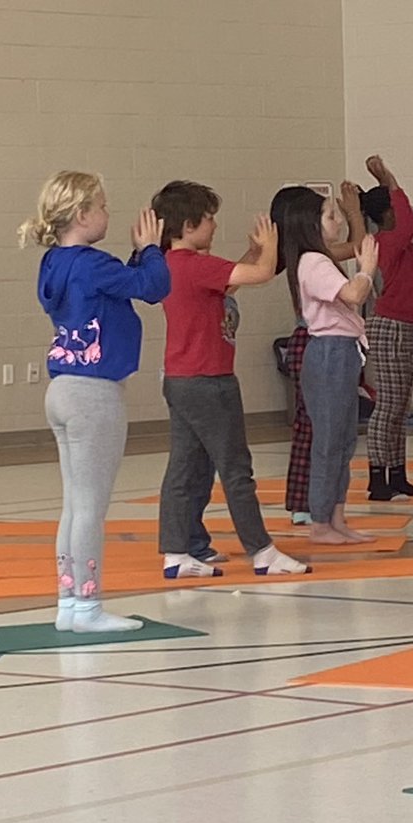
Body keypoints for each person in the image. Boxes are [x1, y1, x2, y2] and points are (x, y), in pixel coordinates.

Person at [20, 171, 171, 632]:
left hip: (62, 389)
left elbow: (124, 285)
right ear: (83, 215)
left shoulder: (56, 263)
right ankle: (87, 607)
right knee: (90, 508)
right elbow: (153, 287)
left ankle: (69, 601)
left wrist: (136, 260)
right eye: (102, 206)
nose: (108, 213)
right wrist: (149, 249)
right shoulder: (91, 263)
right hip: (93, 395)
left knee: (74, 503)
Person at [152, 180, 309, 579]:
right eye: (209, 219)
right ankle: (261, 549)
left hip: (182, 379)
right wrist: (271, 244)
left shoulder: (174, 265)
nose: (214, 226)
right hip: (209, 380)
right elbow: (259, 275)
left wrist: (255, 251)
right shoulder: (196, 265)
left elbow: (233, 278)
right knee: (236, 468)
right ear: (188, 225)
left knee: (187, 467)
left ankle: (177, 549)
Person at [278, 187, 380, 545]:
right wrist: (366, 270)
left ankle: (336, 516)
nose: (335, 222)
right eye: (329, 215)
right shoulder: (313, 261)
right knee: (328, 440)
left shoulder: (319, 259)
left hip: (342, 351)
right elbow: (353, 294)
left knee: (343, 440)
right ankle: (320, 520)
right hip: (329, 353)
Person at [359, 156, 413, 500]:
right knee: (388, 403)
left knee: (399, 403)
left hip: (403, 326)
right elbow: (410, 221)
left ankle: (397, 472)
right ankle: (378, 475)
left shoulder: (398, 243)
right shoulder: (388, 240)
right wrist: (390, 179)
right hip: (389, 326)